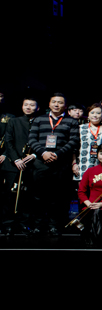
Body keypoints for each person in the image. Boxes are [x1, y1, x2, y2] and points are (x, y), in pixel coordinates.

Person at [28, 93, 80, 235]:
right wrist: (43, 152)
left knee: (58, 197)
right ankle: (38, 225)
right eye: (54, 102)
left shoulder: (72, 121)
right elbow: (32, 139)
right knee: (38, 196)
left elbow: (74, 142)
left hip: (61, 163)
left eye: (60, 102)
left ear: (65, 105)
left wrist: (57, 154)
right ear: (49, 104)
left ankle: (54, 225)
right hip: (41, 162)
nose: (57, 104)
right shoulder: (39, 119)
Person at [1, 97, 39, 236]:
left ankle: (25, 223)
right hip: (12, 164)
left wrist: (34, 155)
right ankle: (7, 224)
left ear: (38, 107)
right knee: (9, 196)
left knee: (28, 196)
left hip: (31, 164)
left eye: (32, 105)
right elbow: (8, 141)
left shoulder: (39, 121)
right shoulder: (13, 121)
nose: (28, 107)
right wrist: (16, 159)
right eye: (26, 105)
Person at [73, 103, 102, 183]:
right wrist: (74, 164)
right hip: (82, 165)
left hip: (100, 165)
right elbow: (74, 147)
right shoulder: (80, 128)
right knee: (82, 192)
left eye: (98, 113)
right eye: (92, 113)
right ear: (88, 115)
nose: (95, 115)